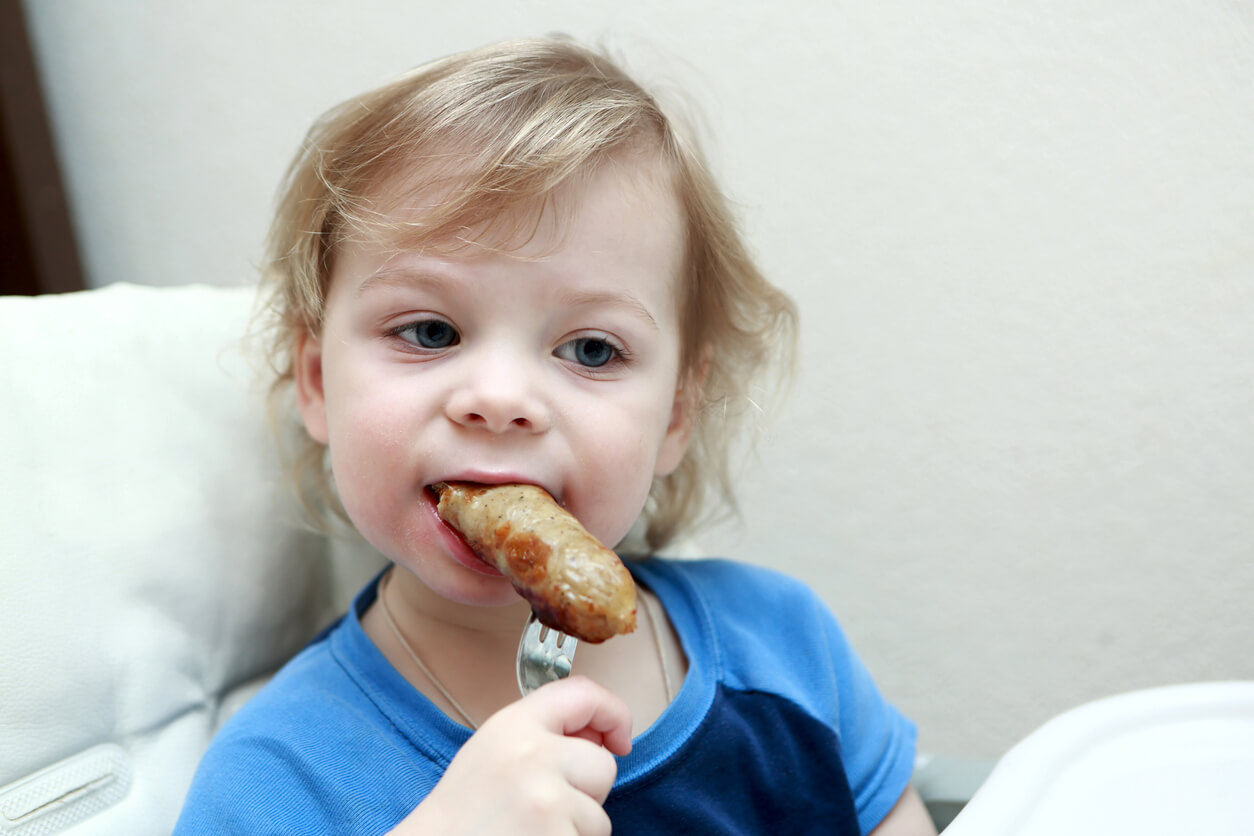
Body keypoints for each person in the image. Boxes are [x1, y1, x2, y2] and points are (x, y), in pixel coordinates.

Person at [174, 36, 935, 835]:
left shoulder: (788, 650)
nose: (501, 400)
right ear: (319, 382)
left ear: (676, 413)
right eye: (430, 331)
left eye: (591, 350)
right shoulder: (277, 778)